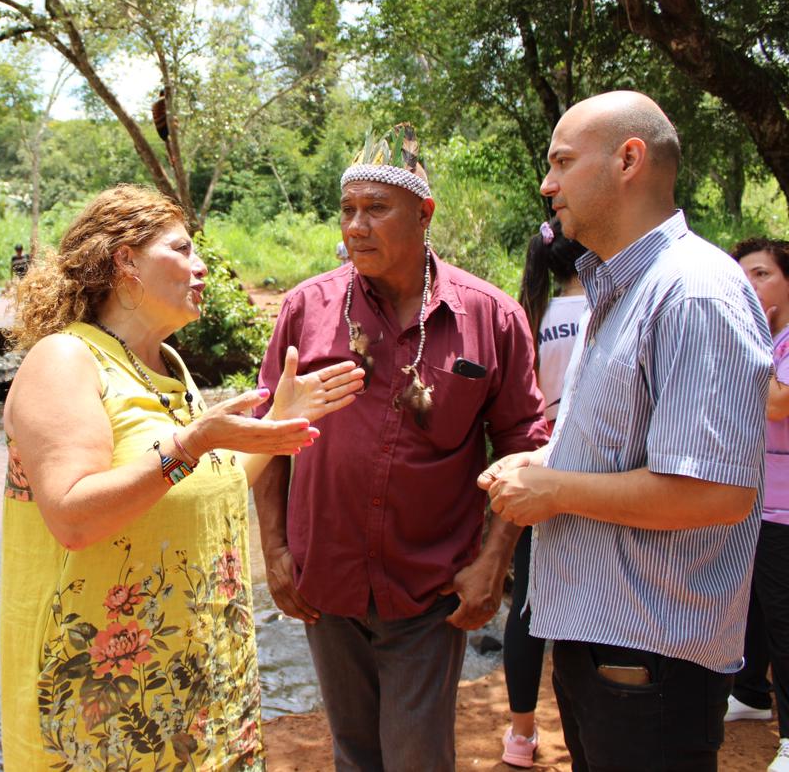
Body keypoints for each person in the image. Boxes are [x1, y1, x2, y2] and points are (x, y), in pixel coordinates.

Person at [0, 184, 366, 770]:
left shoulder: (167, 365)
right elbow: (72, 516)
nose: (201, 267)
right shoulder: (65, 360)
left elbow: (205, 487)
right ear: (125, 261)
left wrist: (278, 424)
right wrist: (191, 442)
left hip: (198, 694)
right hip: (106, 703)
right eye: (182, 249)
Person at [481, 91, 771, 772]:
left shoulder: (694, 291)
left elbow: (716, 492)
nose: (546, 184)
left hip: (651, 659)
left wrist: (552, 490)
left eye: (561, 162)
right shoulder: (620, 291)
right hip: (600, 645)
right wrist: (542, 463)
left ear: (628, 160)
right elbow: (622, 446)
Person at [252, 124, 548, 771]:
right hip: (322, 582)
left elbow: (524, 443)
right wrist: (274, 551)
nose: (356, 226)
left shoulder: (492, 316)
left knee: (416, 757)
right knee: (354, 752)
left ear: (424, 214)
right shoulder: (307, 308)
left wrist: (493, 562)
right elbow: (266, 437)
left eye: (376, 209)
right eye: (348, 209)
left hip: (429, 586)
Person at [500, 216, 587, 768]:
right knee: (588, 603)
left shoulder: (531, 316)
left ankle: (519, 735)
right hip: (591, 476)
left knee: (529, 606)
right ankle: (585, 727)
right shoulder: (606, 313)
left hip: (533, 473)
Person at [726, 238, 789, 772]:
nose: (751, 283)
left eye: (763, 273)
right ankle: (749, 692)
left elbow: (773, 401)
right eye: (742, 274)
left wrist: (748, 337)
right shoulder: (771, 341)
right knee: (757, 608)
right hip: (758, 506)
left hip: (786, 512)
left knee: (785, 621)